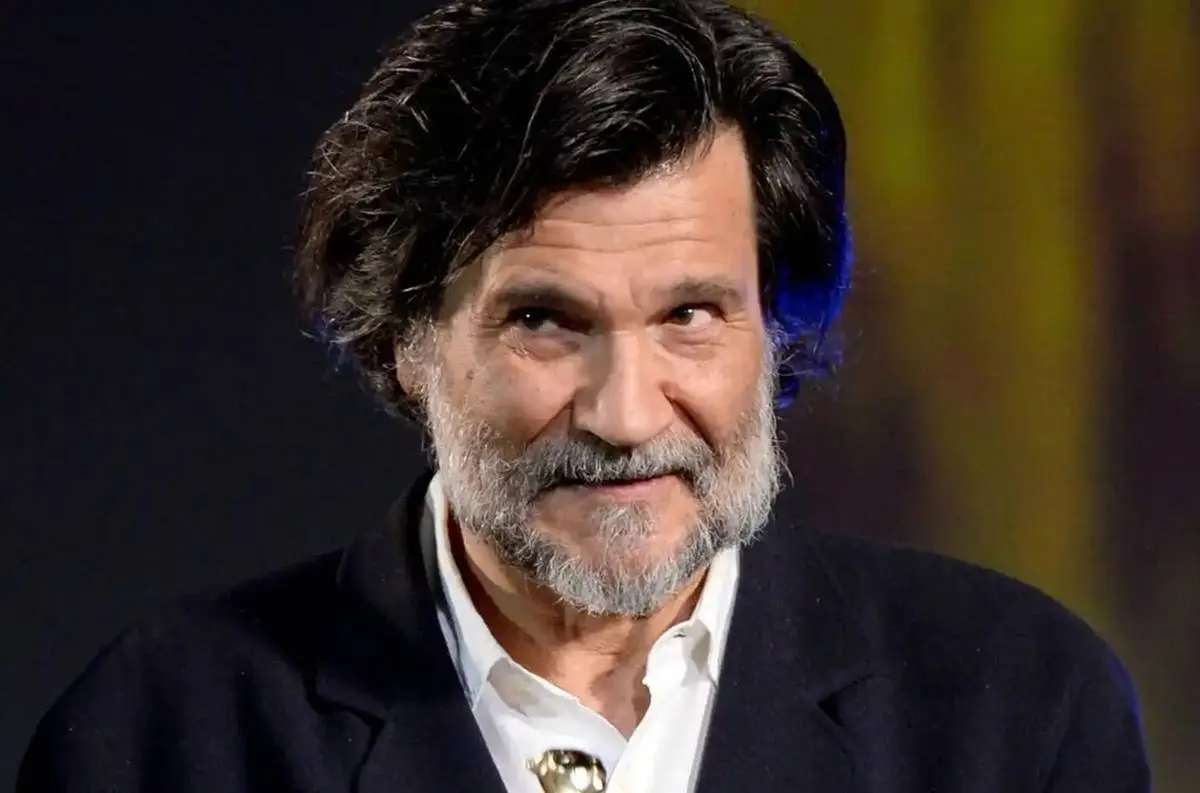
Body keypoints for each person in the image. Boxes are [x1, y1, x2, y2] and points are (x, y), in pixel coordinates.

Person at [18, 1, 1151, 791]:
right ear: (407, 339)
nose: (627, 415)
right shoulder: (158, 738)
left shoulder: (1020, 710)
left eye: (690, 314)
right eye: (545, 321)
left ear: (776, 324)